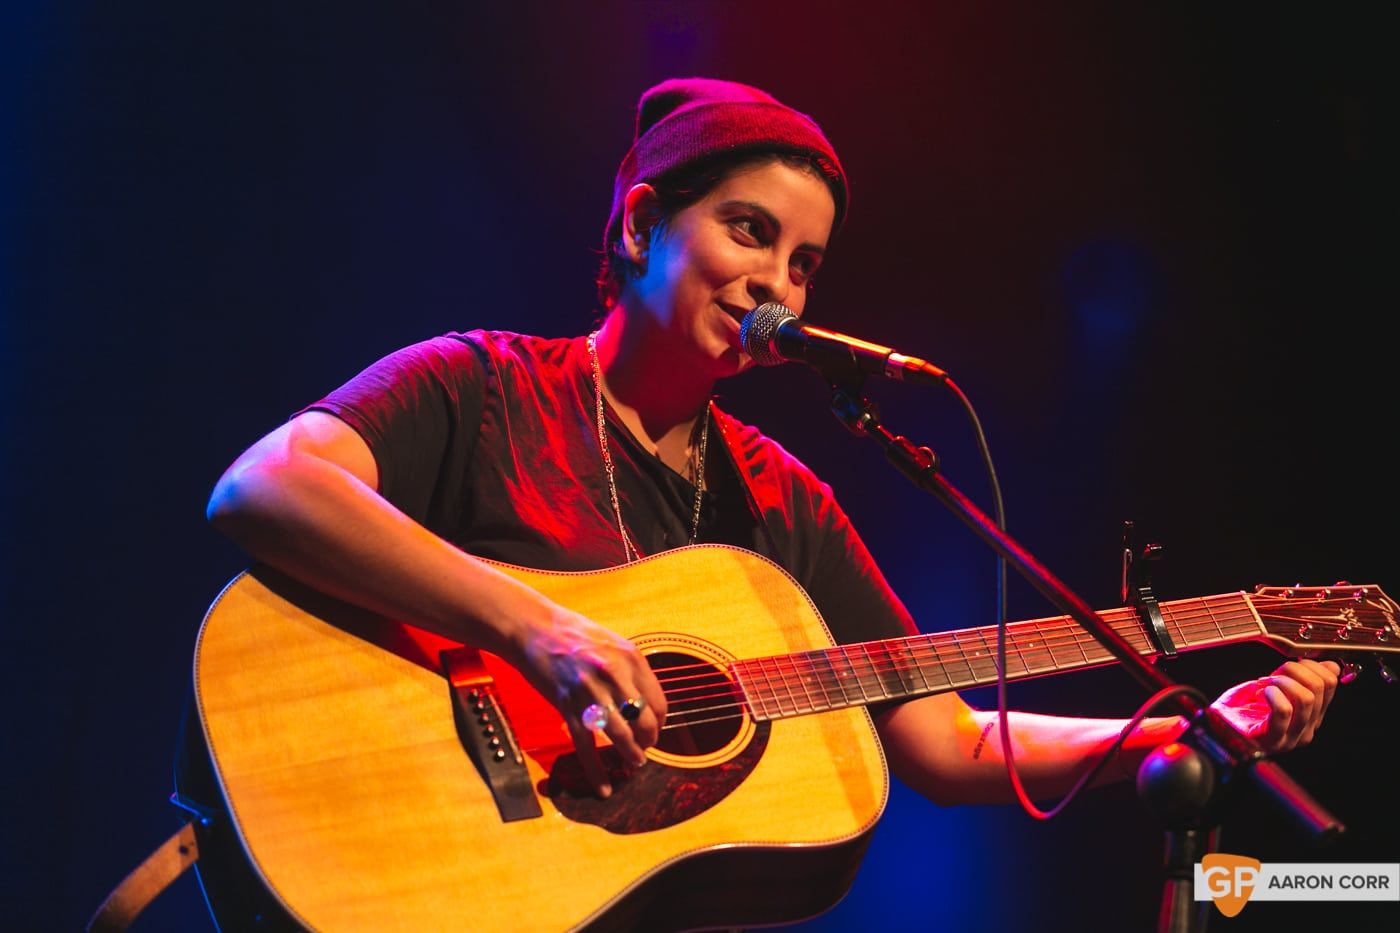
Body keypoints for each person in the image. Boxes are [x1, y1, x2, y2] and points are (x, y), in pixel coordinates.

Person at [185, 77, 1340, 929]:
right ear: (640, 225)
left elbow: (944, 741)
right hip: (413, 855)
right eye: (750, 231)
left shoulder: (782, 502)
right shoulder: (482, 387)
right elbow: (265, 486)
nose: (776, 282)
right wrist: (533, 628)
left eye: (804, 263)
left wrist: (1181, 731)